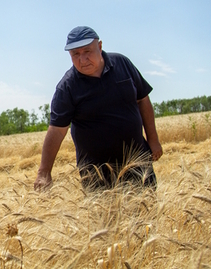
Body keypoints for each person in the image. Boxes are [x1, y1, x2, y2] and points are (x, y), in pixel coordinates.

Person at [34, 26, 163, 192]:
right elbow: (57, 130)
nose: (82, 59)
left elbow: (143, 99)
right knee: (104, 218)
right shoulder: (67, 87)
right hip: (96, 172)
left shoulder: (122, 64)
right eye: (75, 54)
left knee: (146, 214)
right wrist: (44, 172)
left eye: (87, 51)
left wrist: (153, 139)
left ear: (100, 46)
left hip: (137, 160)